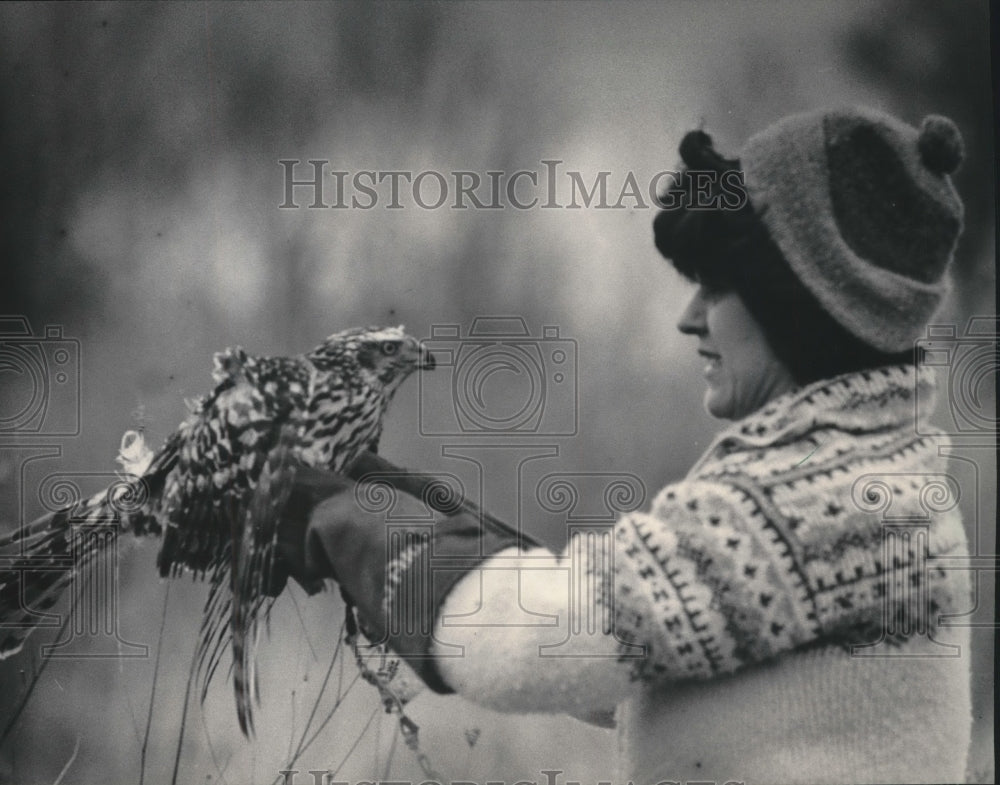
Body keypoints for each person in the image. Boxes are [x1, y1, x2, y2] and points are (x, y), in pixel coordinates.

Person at [273, 106, 973, 785]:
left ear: (800, 307)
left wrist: (353, 522)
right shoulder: (881, 474)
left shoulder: (813, 504)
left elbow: (539, 646)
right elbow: (628, 668)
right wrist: (428, 515)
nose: (687, 317)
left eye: (718, 286)